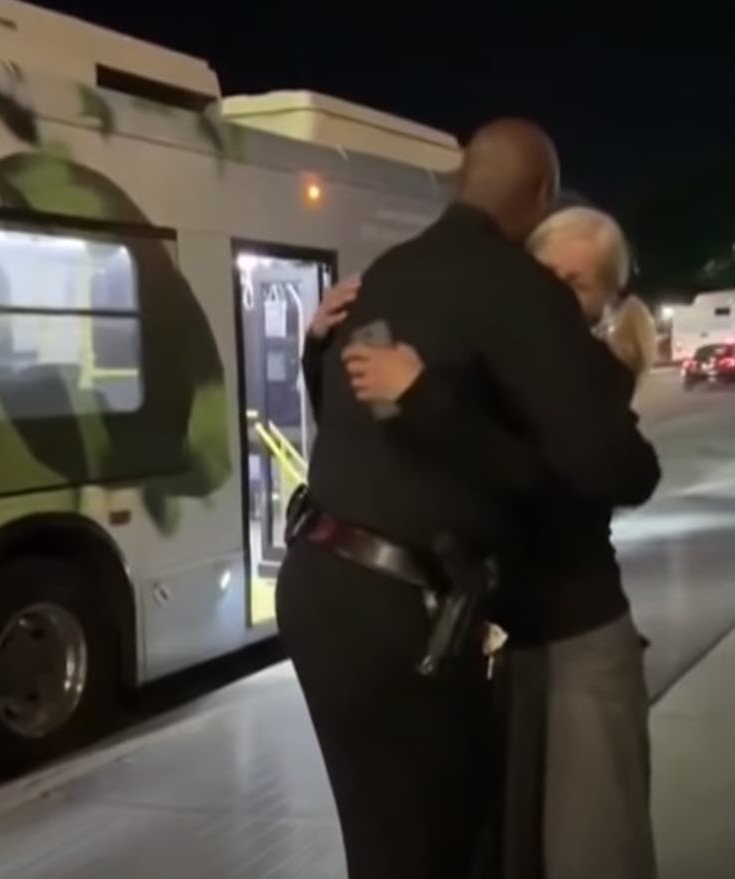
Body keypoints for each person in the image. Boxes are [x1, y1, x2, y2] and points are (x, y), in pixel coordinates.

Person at [276, 119, 659, 879]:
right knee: (436, 845)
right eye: (551, 272)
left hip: (504, 626)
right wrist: (322, 349)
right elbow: (378, 434)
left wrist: (422, 396)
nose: (556, 292)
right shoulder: (505, 304)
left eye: (578, 284)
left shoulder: (395, 275)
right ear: (537, 206)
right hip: (424, 621)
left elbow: (609, 471)